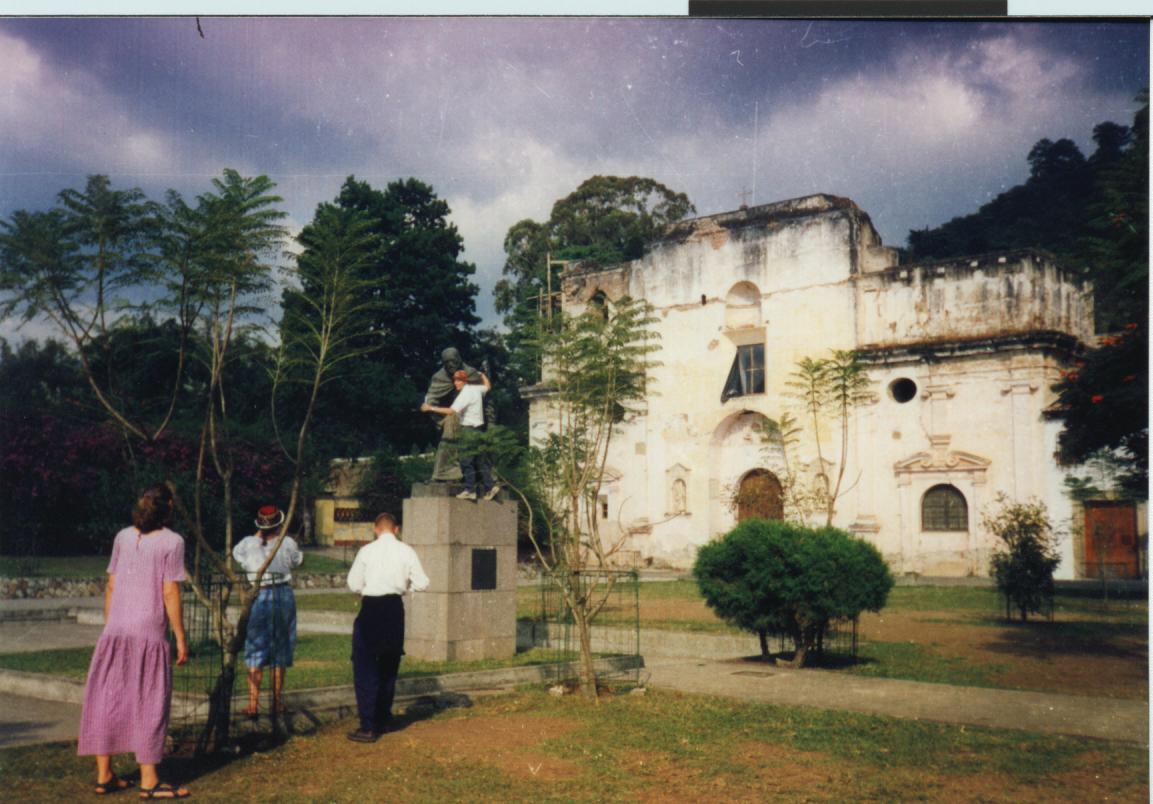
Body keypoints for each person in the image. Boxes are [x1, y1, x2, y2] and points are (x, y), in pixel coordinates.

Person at [77, 483, 190, 799]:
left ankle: (104, 775)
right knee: (150, 701)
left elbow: (111, 585)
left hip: (116, 630)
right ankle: (150, 781)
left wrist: (111, 625)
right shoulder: (173, 542)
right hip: (148, 631)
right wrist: (180, 637)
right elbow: (170, 591)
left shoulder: (123, 537)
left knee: (106, 698)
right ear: (168, 507)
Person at [345, 512, 429, 742]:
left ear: (375, 529)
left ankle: (368, 726)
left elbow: (353, 583)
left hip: (371, 607)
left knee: (365, 666)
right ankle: (384, 719)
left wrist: (366, 587)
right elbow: (422, 582)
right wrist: (406, 588)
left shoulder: (366, 551)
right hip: (393, 607)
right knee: (389, 664)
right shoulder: (406, 550)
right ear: (396, 529)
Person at [231, 504, 303, 718]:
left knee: (255, 647)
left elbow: (237, 556)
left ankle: (253, 703)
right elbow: (297, 560)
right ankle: (276, 702)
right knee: (280, 647)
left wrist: (258, 534)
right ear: (279, 523)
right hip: (282, 595)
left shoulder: (247, 543)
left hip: (258, 595)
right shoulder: (287, 542)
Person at [422, 369, 499, 501]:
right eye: (455, 380)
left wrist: (430, 408)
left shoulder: (465, 394)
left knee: (465, 461)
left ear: (464, 381)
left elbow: (451, 411)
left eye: (458, 381)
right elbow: (488, 386)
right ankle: (490, 487)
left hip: (468, 431)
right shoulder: (476, 389)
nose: (456, 383)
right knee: (480, 461)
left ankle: (470, 490)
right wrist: (482, 375)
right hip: (479, 431)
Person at [423, 347, 493, 483]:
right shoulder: (439, 377)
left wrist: (491, 421)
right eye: (447, 362)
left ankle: (481, 479)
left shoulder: (471, 373)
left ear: (459, 360)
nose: (450, 365)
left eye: (453, 361)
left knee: (476, 450)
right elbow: (432, 396)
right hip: (450, 416)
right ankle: (444, 475)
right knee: (448, 441)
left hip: (471, 420)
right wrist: (434, 412)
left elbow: (488, 398)